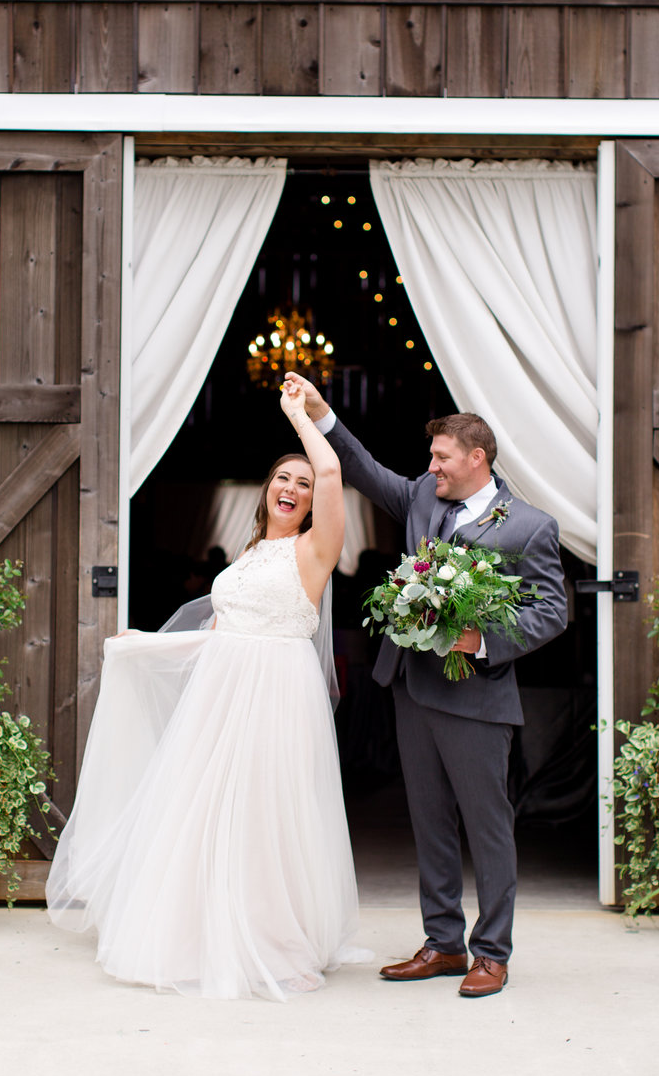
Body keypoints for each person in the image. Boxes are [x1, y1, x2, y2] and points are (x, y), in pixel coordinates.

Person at [46, 381, 369, 1000]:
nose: (293, 489)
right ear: (265, 489)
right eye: (283, 479)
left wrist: (302, 419)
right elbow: (217, 637)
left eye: (302, 485)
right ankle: (204, 933)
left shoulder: (315, 550)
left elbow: (331, 470)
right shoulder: (248, 557)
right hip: (220, 705)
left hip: (277, 698)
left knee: (265, 819)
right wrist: (144, 643)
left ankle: (275, 940)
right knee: (206, 816)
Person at [283, 372, 567, 999]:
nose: (430, 465)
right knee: (430, 822)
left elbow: (553, 610)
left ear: (477, 458)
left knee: (487, 828)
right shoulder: (419, 496)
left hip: (477, 698)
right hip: (411, 688)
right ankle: (442, 943)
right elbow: (361, 467)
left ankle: (491, 953)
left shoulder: (529, 526)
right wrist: (322, 413)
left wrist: (484, 640)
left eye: (441, 457)